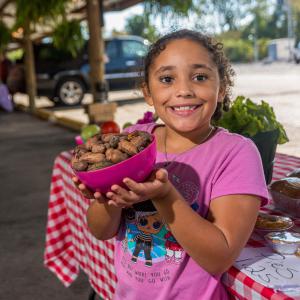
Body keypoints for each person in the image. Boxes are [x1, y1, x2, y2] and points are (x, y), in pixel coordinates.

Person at [73, 29, 268, 299]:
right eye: (167, 79)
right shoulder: (135, 143)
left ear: (221, 89)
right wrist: (106, 198)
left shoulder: (236, 153)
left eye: (200, 77)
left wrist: (164, 196)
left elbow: (219, 257)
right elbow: (101, 231)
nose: (184, 90)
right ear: (148, 93)